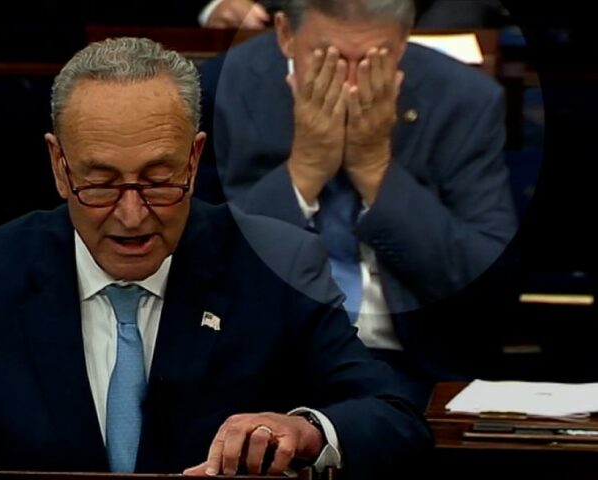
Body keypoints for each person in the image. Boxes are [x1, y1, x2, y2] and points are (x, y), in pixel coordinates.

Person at [0, 37, 431, 480]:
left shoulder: (273, 264)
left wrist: (304, 430)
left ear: (194, 160)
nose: (131, 215)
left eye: (158, 180)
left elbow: (394, 420)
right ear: (59, 166)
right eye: (99, 183)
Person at [197, 0, 519, 407]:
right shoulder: (223, 87)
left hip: (411, 368)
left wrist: (375, 168)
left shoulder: (464, 100)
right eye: (327, 59)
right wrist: (306, 169)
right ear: (285, 34)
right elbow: (202, 263)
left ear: (403, 41)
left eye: (372, 60)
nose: (349, 84)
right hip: (258, 359)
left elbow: (486, 284)